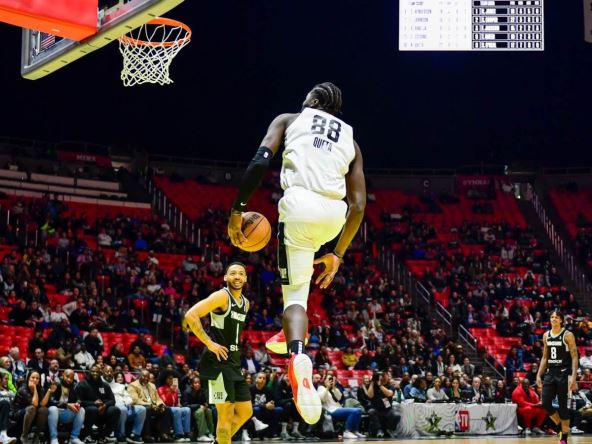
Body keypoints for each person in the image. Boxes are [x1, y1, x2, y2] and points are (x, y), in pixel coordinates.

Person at [227, 82, 366, 425]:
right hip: (334, 216)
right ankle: (287, 335)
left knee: (295, 300)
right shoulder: (351, 140)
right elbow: (359, 205)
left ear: (314, 100)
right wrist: (337, 254)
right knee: (298, 300)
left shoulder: (289, 119)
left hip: (300, 207)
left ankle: (298, 356)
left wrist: (237, 209)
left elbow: (259, 162)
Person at [183, 262, 253, 444]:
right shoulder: (221, 296)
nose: (237, 276)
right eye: (233, 273)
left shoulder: (245, 303)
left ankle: (220, 441)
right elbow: (190, 315)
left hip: (233, 363)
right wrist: (209, 343)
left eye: (241, 273)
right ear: (225, 277)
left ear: (245, 278)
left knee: (245, 411)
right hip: (217, 363)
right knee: (225, 415)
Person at [536, 310, 580, 444]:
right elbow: (545, 357)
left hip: (563, 373)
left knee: (562, 406)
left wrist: (573, 377)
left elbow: (574, 356)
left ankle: (564, 438)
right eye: (552, 317)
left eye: (556, 317)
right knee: (545, 403)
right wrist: (538, 374)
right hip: (550, 373)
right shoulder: (546, 335)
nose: (554, 319)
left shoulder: (568, 335)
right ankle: (560, 427)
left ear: (561, 320)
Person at [75, 365, 120, 443]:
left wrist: (104, 406)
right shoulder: (82, 384)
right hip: (88, 409)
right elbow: (79, 401)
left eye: (97, 372)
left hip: (102, 409)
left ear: (100, 373)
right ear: (89, 372)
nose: (95, 373)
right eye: (93, 371)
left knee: (115, 410)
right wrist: (93, 403)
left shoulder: (104, 385)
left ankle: (104, 436)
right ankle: (86, 435)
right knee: (93, 409)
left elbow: (112, 400)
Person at [103, 366, 145, 444]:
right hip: (114, 406)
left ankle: (135, 434)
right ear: (103, 373)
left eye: (111, 371)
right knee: (123, 409)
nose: (109, 373)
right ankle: (121, 434)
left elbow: (127, 396)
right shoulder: (102, 385)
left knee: (142, 409)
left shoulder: (120, 386)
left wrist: (129, 402)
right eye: (107, 371)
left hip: (126, 405)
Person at [128, 370, 172, 443]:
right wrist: (150, 405)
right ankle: (146, 435)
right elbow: (135, 400)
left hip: (153, 406)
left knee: (166, 409)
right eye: (144, 376)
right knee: (147, 410)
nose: (146, 378)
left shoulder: (152, 385)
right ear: (139, 376)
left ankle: (164, 434)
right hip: (141, 406)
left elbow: (157, 398)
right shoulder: (132, 385)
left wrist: (161, 405)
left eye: (148, 377)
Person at [317, 374, 365, 439]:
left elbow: (339, 397)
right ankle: (347, 432)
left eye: (331, 379)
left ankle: (355, 431)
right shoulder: (321, 388)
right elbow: (322, 399)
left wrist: (334, 387)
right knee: (355, 411)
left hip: (337, 408)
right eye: (328, 379)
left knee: (359, 410)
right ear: (324, 380)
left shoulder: (333, 389)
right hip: (330, 410)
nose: (330, 381)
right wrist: (327, 388)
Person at [46, 369, 85, 444]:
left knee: (81, 410)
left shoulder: (75, 385)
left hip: (67, 412)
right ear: (63, 375)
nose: (69, 379)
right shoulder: (56, 383)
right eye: (67, 377)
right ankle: (53, 438)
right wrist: (66, 404)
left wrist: (77, 403)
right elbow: (51, 401)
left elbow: (79, 399)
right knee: (53, 409)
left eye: (71, 378)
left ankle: (74, 437)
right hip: (56, 412)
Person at [13, 371, 49, 444]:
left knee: (44, 410)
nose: (35, 380)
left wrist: (49, 391)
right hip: (19, 413)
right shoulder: (23, 389)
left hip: (32, 414)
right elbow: (35, 404)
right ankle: (24, 436)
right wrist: (35, 389)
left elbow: (42, 404)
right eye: (33, 377)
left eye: (37, 378)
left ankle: (36, 436)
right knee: (32, 408)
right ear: (28, 378)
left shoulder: (40, 389)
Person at [157, 372, 191, 441]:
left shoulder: (175, 389)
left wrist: (178, 403)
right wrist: (170, 391)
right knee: (177, 410)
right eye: (169, 379)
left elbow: (175, 403)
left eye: (172, 379)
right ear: (165, 379)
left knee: (187, 409)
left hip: (174, 408)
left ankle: (186, 433)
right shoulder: (161, 389)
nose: (171, 380)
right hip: (165, 409)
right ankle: (178, 434)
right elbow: (164, 402)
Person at [181, 377, 214, 442]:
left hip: (200, 409)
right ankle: (201, 435)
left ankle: (210, 433)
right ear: (191, 384)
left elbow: (204, 402)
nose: (198, 384)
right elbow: (185, 405)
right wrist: (198, 406)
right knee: (200, 412)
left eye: (199, 383)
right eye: (195, 383)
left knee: (209, 411)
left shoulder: (201, 391)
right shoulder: (186, 392)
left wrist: (206, 405)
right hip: (191, 411)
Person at [0, 373, 16, 444]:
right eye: (5, 379)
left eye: (8, 379)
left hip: (9, 414)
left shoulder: (10, 392)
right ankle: (3, 435)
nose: (7, 381)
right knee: (5, 403)